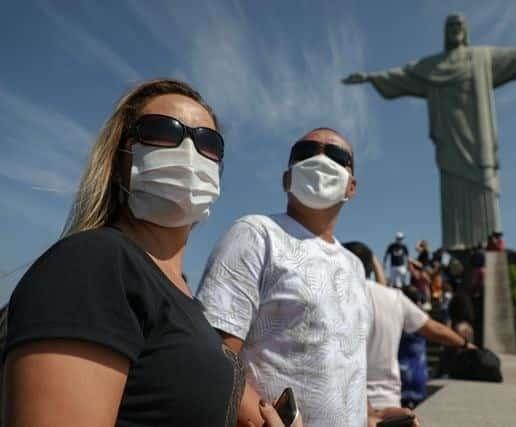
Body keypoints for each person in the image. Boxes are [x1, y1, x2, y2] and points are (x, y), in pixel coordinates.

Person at [2, 79, 290, 426]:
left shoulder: (185, 301)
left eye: (207, 142)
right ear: (120, 157)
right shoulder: (94, 263)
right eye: (161, 132)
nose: (188, 151)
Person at [196, 129, 412, 427]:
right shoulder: (256, 234)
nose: (320, 159)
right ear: (287, 179)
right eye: (306, 152)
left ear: (352, 187)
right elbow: (211, 358)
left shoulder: (354, 265)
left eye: (336, 156)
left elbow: (347, 361)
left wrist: (369, 415)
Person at [343, 14, 516, 249]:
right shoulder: (432, 65)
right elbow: (403, 75)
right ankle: (457, 243)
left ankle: (491, 242)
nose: (455, 29)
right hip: (450, 137)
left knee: (483, 182)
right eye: (451, 25)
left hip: (478, 136)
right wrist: (371, 77)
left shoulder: (482, 57)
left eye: (459, 25)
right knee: (453, 185)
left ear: (465, 31)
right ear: (445, 32)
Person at [343, 241, 473, 411]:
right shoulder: (394, 298)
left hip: (346, 405)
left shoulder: (333, 297)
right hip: (387, 403)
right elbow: (435, 329)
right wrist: (464, 344)